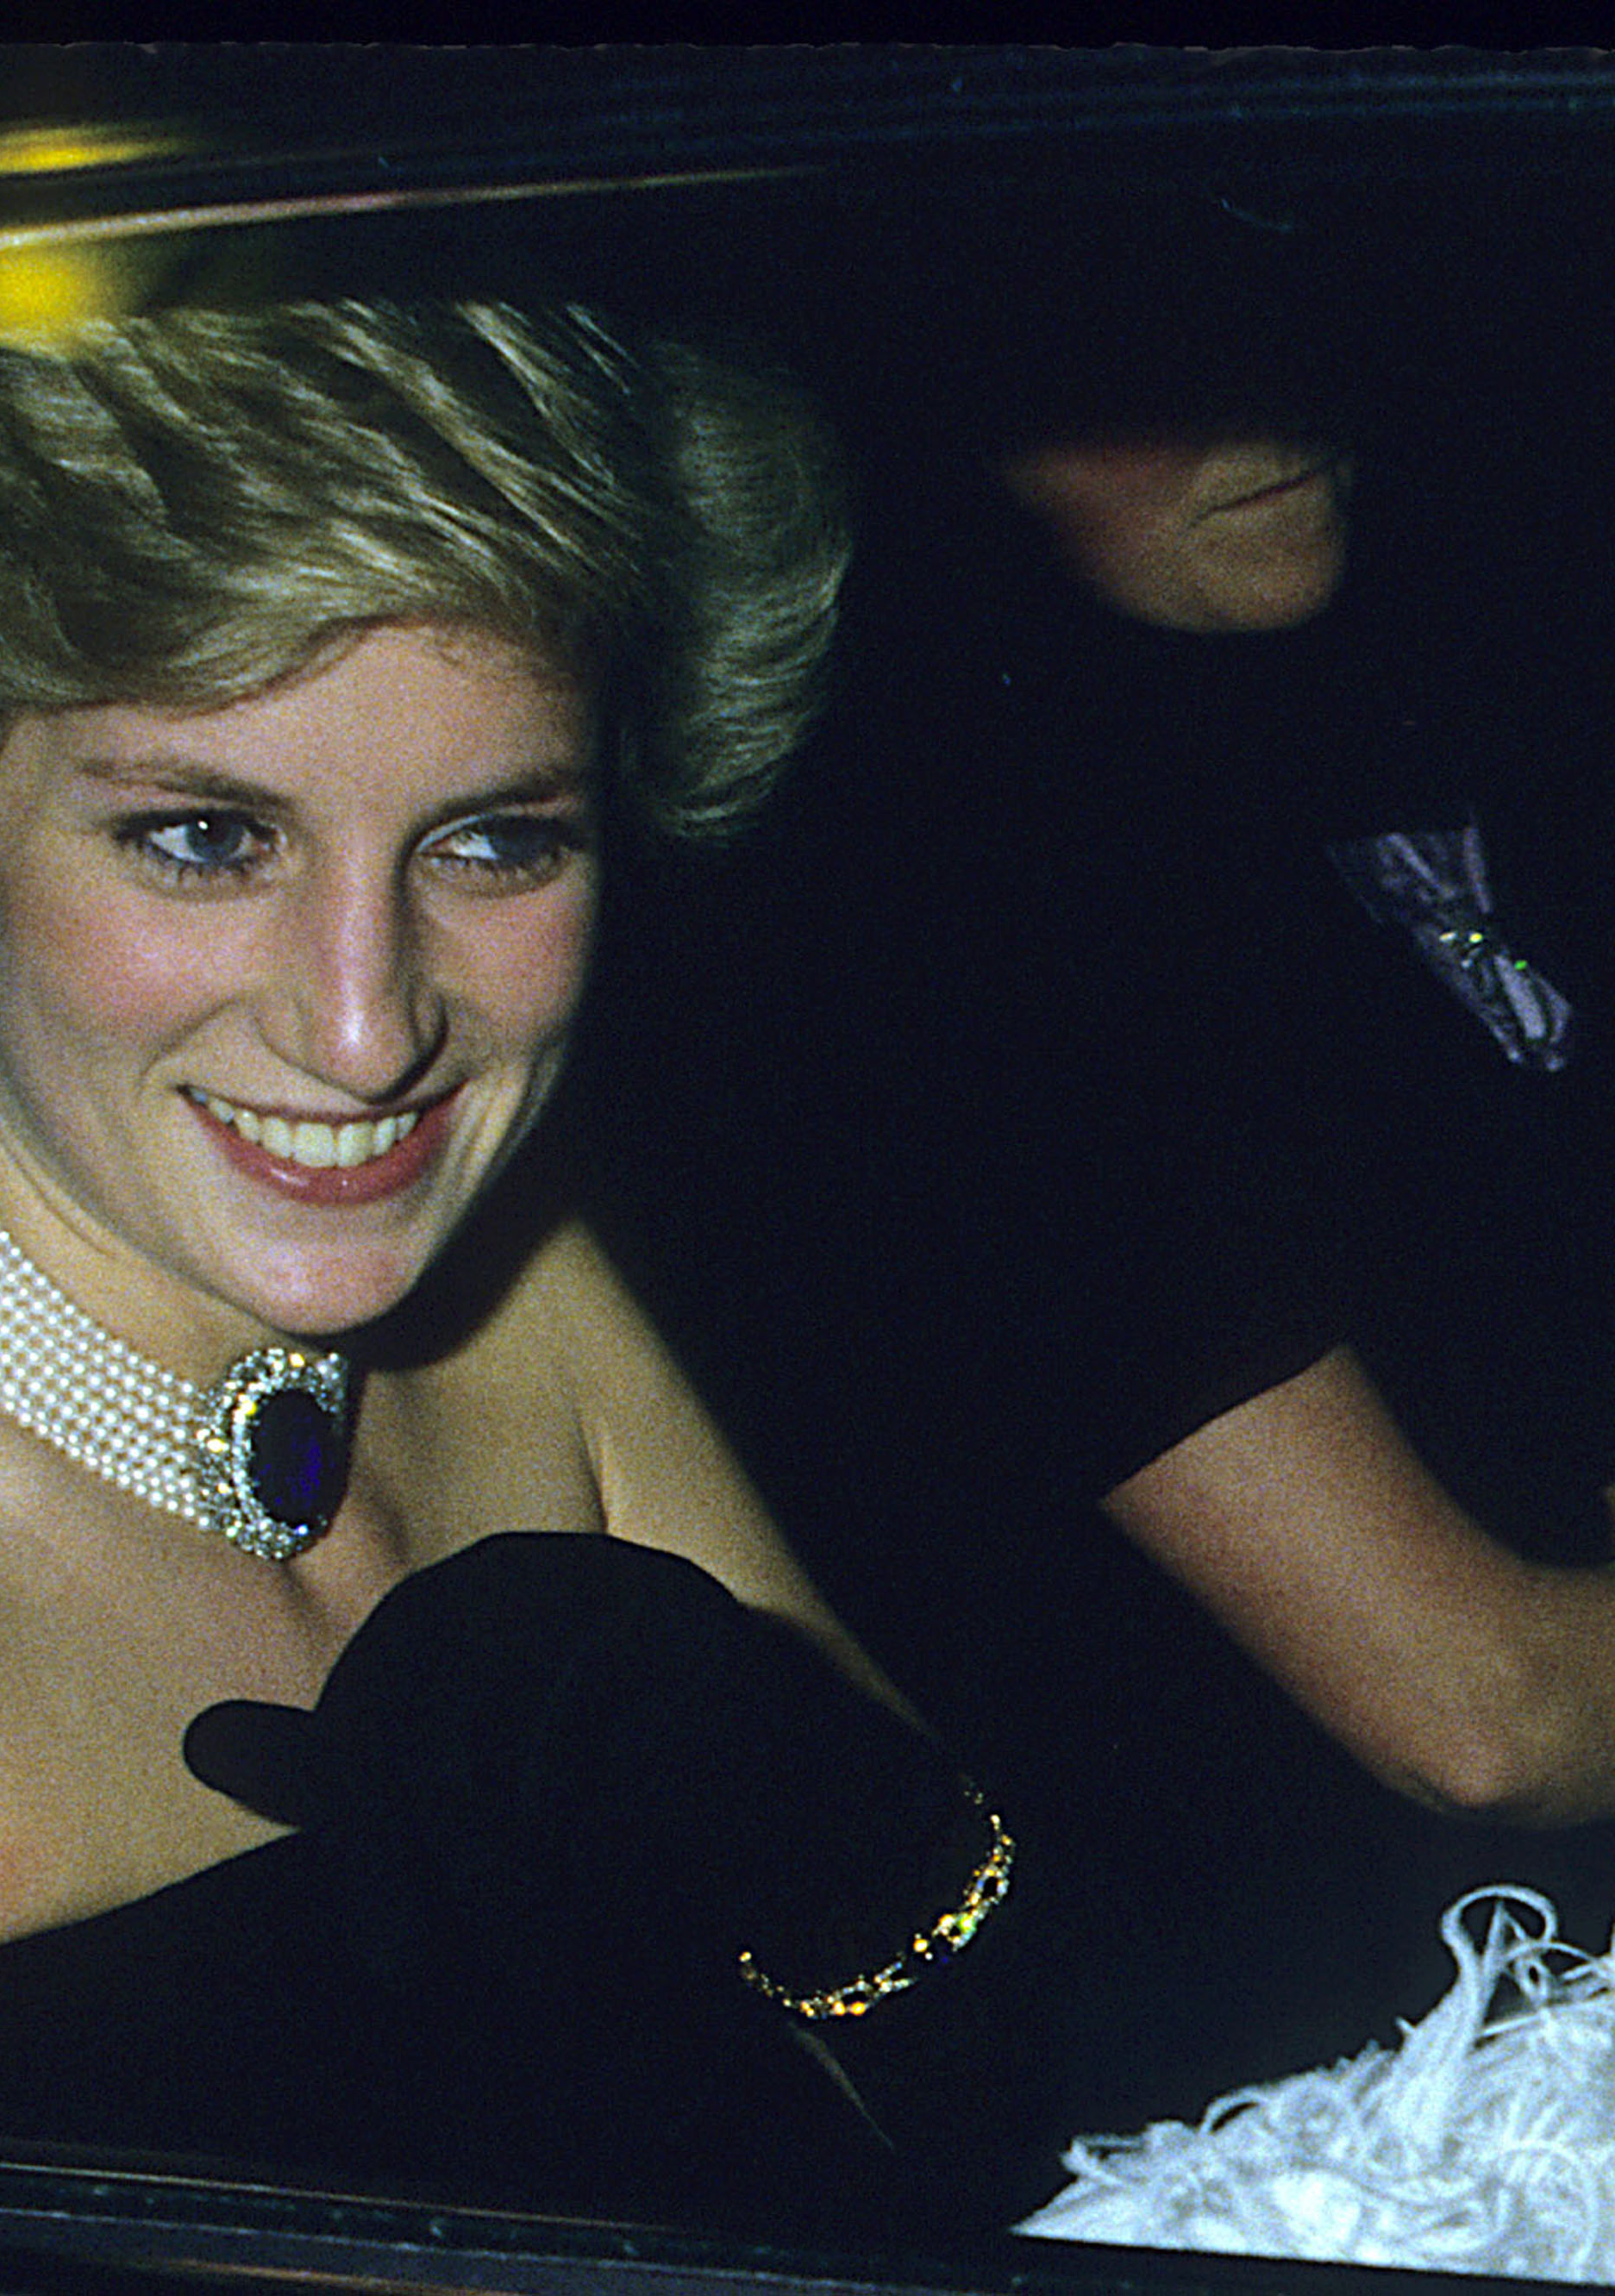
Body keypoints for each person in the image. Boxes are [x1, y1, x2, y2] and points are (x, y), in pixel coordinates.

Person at [0, 299, 1046, 2234]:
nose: (368, 1032)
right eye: (202, 835)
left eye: (498, 842)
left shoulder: (527, 1271)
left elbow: (1004, 2085)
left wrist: (813, 1811)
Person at [585, 350, 1615, 2138]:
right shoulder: (946, 907)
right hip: (1309, 2115)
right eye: (1122, 350)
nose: (1275, 393)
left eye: (1284, 299)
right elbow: (1482, 1710)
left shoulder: (1385, 693)